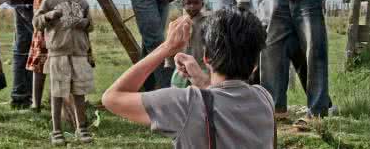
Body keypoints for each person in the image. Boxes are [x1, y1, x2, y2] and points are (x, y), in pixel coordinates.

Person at [102, 9, 276, 148]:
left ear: (206, 57)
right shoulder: (264, 99)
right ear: (255, 64)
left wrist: (166, 47)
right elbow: (226, 99)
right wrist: (201, 80)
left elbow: (112, 98)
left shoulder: (186, 104)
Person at [33, 0, 94, 145]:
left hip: (79, 54)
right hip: (58, 53)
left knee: (79, 92)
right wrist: (49, 16)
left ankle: (81, 128)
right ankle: (56, 130)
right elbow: (36, 22)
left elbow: (90, 24)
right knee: (58, 93)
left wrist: (84, 23)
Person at [165, 0, 207, 88]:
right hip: (181, 69)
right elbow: (171, 44)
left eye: (196, 3)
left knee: (201, 95)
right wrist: (169, 62)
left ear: (202, 4)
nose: (192, 6)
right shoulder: (177, 23)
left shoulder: (208, 22)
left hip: (201, 68)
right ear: (183, 4)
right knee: (178, 96)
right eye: (188, 3)